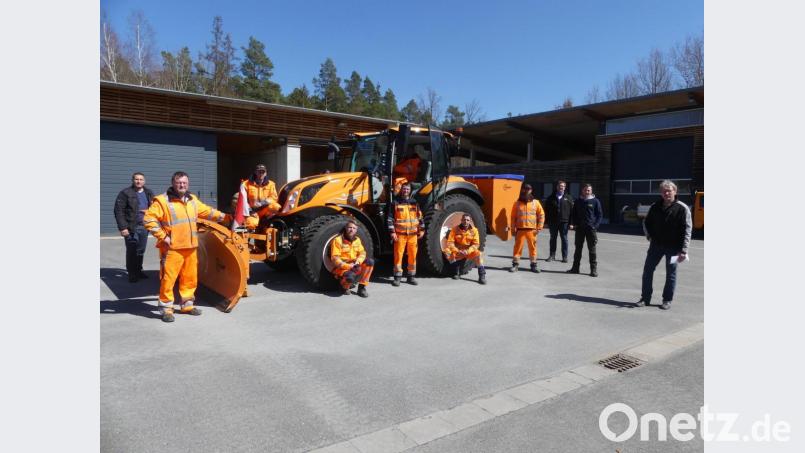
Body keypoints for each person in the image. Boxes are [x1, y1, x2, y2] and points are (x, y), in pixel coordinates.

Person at [143, 171, 231, 323]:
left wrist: (226, 217)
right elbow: (148, 219)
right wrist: (163, 237)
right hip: (172, 249)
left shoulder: (192, 200)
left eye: (184, 182)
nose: (182, 185)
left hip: (190, 248)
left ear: (188, 184)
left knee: (189, 279)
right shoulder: (162, 201)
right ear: (173, 183)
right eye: (179, 182)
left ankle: (187, 305)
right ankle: (166, 309)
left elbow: (208, 212)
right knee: (168, 280)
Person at [637, 180, 692, 310]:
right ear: (661, 193)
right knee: (647, 271)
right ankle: (645, 298)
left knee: (671, 274)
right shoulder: (655, 206)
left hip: (674, 248)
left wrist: (684, 250)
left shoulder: (682, 208)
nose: (667, 193)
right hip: (656, 246)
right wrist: (649, 236)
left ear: (675, 191)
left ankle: (667, 300)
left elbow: (687, 230)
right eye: (664, 191)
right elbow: (646, 222)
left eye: (669, 190)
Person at [114, 172, 155, 282]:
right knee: (132, 250)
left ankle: (138, 270)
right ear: (133, 180)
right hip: (131, 227)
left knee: (141, 250)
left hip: (145, 226)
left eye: (141, 179)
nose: (139, 181)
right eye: (136, 179)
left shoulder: (149, 193)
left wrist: (149, 212)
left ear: (144, 181)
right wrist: (123, 227)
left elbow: (155, 207)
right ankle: (132, 273)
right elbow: (119, 211)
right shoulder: (125, 193)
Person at [387, 183, 424, 286]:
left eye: (407, 189)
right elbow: (390, 219)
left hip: (413, 235)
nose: (406, 191)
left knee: (412, 256)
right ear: (401, 190)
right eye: (404, 189)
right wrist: (392, 232)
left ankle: (411, 277)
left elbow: (420, 217)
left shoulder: (414, 203)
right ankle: (397, 277)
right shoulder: (395, 202)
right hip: (400, 235)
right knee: (398, 256)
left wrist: (422, 230)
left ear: (410, 191)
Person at [330, 220, 374, 297]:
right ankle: (344, 287)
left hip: (354, 265)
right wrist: (348, 266)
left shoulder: (357, 240)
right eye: (350, 227)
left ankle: (362, 288)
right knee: (350, 276)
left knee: (370, 262)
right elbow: (335, 258)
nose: (351, 230)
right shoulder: (338, 240)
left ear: (356, 230)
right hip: (342, 267)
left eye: (354, 228)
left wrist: (358, 261)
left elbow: (362, 253)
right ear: (346, 228)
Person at [567, 184, 603, 277]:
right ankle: (575, 268)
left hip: (590, 229)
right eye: (585, 190)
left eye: (589, 190)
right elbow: (573, 214)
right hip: (579, 229)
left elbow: (599, 215)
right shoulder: (578, 201)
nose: (587, 192)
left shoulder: (595, 201)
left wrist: (595, 226)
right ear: (582, 191)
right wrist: (573, 223)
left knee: (592, 250)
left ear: (591, 191)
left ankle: (593, 270)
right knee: (578, 249)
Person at [509, 184, 545, 273]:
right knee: (517, 248)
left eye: (528, 189)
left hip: (532, 231)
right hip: (520, 230)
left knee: (533, 248)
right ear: (522, 190)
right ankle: (515, 265)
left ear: (531, 190)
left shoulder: (536, 203)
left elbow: (541, 215)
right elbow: (513, 217)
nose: (526, 190)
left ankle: (534, 265)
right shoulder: (517, 203)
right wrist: (513, 229)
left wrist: (539, 228)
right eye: (525, 189)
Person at [443, 213, 487, 284]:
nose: (465, 221)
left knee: (479, 254)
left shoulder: (474, 230)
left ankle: (482, 276)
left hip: (468, 252)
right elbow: (450, 242)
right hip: (458, 252)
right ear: (461, 220)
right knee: (447, 251)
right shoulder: (455, 229)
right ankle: (456, 272)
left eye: (467, 220)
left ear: (470, 221)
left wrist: (468, 251)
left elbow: (476, 244)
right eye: (464, 219)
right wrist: (457, 251)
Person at [543, 180, 574, 263]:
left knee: (564, 239)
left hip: (564, 222)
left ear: (565, 187)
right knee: (553, 238)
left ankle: (564, 257)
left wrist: (571, 223)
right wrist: (545, 222)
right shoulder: (550, 198)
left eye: (563, 186)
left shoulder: (569, 198)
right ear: (557, 187)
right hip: (553, 222)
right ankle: (552, 255)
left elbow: (572, 212)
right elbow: (546, 211)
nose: (561, 187)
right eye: (560, 186)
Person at [242, 163, 281, 229]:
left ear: (266, 173)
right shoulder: (246, 184)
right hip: (252, 212)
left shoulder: (271, 184)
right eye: (259, 171)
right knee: (251, 224)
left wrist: (262, 203)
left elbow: (274, 198)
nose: (261, 173)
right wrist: (250, 211)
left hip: (264, 210)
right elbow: (243, 200)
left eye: (263, 172)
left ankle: (264, 221)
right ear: (255, 172)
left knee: (276, 207)